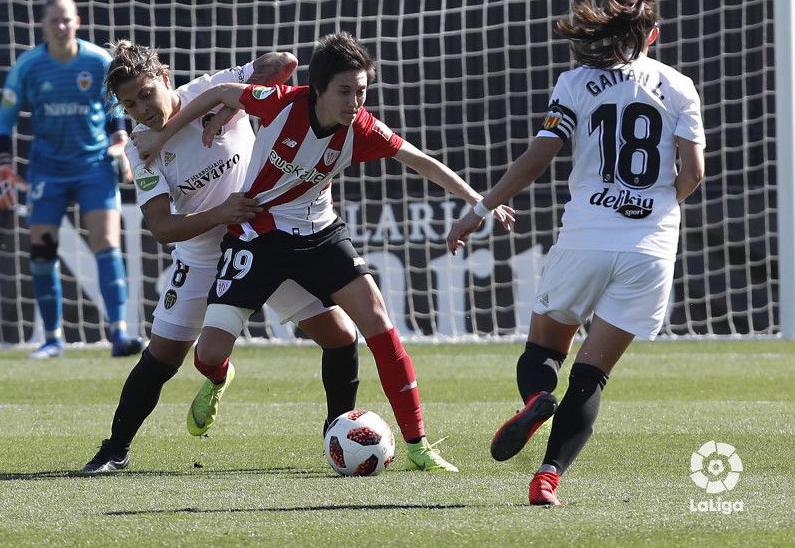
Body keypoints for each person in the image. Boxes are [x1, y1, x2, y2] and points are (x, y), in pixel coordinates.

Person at [132, 32, 515, 472]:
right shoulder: (281, 103)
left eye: (363, 91)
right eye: (345, 91)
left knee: (377, 321)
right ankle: (219, 377)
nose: (355, 102)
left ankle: (418, 444)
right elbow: (221, 91)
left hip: (319, 234)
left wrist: (478, 203)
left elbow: (420, 159)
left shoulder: (363, 128)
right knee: (210, 353)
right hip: (258, 234)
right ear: (319, 89)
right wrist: (169, 137)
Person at [446, 0, 705, 505]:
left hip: (586, 236)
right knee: (592, 375)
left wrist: (479, 209)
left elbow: (538, 158)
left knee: (543, 347)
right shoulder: (679, 86)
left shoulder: (574, 82)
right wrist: (657, 209)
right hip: (650, 249)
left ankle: (538, 397)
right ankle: (548, 478)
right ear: (652, 34)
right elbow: (694, 171)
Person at [82, 41, 361, 472]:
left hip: (263, 242)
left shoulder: (211, 90)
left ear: (165, 79)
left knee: (340, 336)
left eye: (146, 93)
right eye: (129, 103)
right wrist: (221, 212)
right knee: (163, 358)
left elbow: (284, 63)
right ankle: (114, 449)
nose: (141, 108)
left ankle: (336, 435)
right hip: (201, 255)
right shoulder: (140, 148)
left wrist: (227, 109)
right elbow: (161, 229)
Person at [0, 0, 142, 359]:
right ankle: (53, 339)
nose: (60, 26)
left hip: (93, 166)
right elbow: (4, 121)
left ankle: (120, 333)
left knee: (106, 243)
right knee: (42, 251)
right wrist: (3, 165)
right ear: (44, 26)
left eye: (66, 19)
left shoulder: (97, 60)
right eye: (54, 21)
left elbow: (115, 108)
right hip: (48, 169)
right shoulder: (29, 65)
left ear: (78, 22)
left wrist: (120, 141)